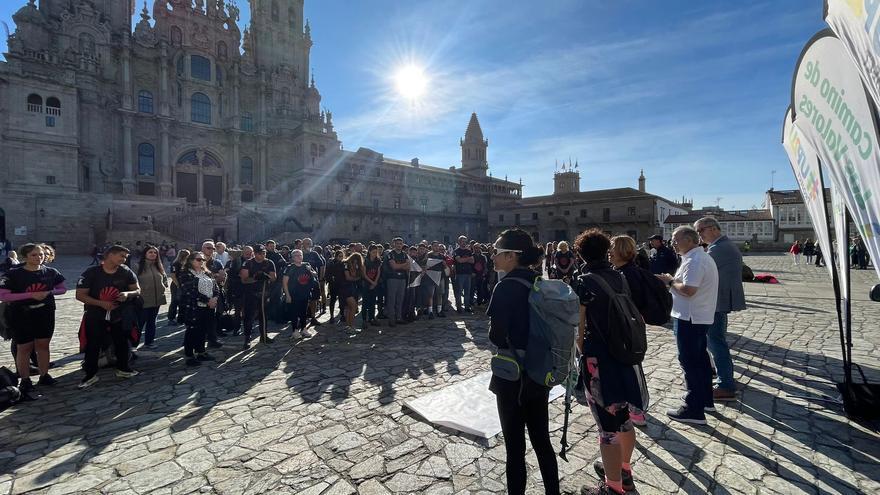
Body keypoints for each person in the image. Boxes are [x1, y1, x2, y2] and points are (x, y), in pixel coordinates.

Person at [576, 230, 648, 495]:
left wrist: (581, 354)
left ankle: (613, 487)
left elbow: (579, 328)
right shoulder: (620, 276)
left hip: (599, 360)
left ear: (580, 254)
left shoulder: (583, 280)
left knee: (607, 427)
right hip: (626, 355)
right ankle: (624, 471)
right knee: (624, 417)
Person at [487, 228, 559, 495]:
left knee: (514, 447)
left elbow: (496, 335)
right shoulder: (539, 281)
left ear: (511, 256)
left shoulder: (505, 286)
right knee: (542, 440)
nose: (493, 257)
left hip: (512, 375)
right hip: (540, 370)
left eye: (497, 252)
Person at [655, 226, 718, 424]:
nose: (672, 243)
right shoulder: (695, 257)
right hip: (695, 316)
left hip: (691, 317)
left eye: (676, 239)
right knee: (699, 360)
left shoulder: (696, 260)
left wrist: (669, 282)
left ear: (690, 240)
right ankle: (704, 398)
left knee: (690, 361)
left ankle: (694, 408)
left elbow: (689, 290)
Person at [0, 244, 66, 397]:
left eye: (41, 254)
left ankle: (44, 375)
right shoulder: (13, 274)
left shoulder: (51, 272)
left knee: (43, 345)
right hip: (21, 314)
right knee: (24, 348)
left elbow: (62, 288)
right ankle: (25, 379)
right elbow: (3, 295)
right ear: (25, 257)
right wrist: (31, 295)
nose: (39, 257)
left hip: (45, 312)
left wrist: (49, 292)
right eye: (34, 255)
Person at [75, 245, 141, 389]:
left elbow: (137, 290)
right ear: (110, 255)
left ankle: (123, 368)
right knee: (94, 344)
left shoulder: (125, 272)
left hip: (119, 313)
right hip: (96, 314)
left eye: (125, 257)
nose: (124, 259)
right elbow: (80, 295)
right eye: (121, 256)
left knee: (122, 342)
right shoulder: (91, 272)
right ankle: (90, 374)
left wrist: (127, 294)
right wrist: (101, 303)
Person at [695, 217, 746, 401]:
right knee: (717, 342)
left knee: (716, 343)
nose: (699, 235)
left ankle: (726, 385)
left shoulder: (719, 248)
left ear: (714, 228)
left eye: (701, 230)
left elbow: (697, 269)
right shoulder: (722, 245)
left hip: (715, 302)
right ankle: (725, 380)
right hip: (717, 300)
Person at [608, 235, 650, 428]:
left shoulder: (626, 274)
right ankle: (634, 405)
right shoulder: (628, 271)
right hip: (631, 325)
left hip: (628, 327)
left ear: (621, 252)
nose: (609, 253)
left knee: (632, 367)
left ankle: (638, 410)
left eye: (612, 249)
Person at [177, 251, 219, 366]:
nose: (201, 262)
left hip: (208, 307)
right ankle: (189, 355)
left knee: (203, 330)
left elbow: (215, 287)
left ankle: (201, 352)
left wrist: (214, 298)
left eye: (203, 260)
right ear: (191, 260)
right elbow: (189, 291)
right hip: (193, 307)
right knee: (192, 331)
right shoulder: (185, 273)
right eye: (198, 259)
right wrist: (207, 300)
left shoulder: (207, 273)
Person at [240, 244, 277, 348]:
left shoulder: (269, 263)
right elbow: (244, 280)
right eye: (260, 253)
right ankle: (247, 338)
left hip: (264, 293)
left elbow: (274, 278)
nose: (263, 255)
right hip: (251, 294)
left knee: (264, 316)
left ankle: (263, 336)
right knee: (249, 317)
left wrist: (266, 277)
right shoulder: (248, 263)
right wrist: (255, 278)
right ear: (255, 254)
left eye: (264, 252)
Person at [136, 245, 168, 349]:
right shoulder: (137, 266)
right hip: (143, 300)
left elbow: (164, 279)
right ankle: (133, 344)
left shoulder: (159, 266)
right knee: (139, 324)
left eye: (155, 252)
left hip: (157, 299)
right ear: (145, 253)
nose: (153, 254)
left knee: (152, 322)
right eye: (150, 252)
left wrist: (163, 286)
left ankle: (149, 342)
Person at [283, 249, 318, 339]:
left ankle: (303, 329)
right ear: (293, 257)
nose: (299, 257)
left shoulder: (306, 265)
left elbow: (314, 274)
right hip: (294, 294)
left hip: (305, 293)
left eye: (300, 255)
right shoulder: (290, 267)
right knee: (294, 313)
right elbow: (284, 282)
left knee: (304, 312)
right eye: (296, 255)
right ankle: (295, 330)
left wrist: (310, 270)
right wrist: (287, 295)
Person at [384, 237, 409, 327]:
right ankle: (392, 319)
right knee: (392, 299)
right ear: (394, 244)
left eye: (400, 243)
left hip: (402, 279)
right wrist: (402, 265)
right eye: (397, 243)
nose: (399, 245)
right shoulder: (390, 254)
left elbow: (408, 266)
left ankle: (399, 317)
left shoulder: (404, 254)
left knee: (400, 299)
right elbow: (394, 266)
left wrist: (399, 265)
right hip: (392, 278)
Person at [301, 238, 325, 327]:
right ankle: (302, 318)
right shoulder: (299, 254)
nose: (308, 245)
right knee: (304, 300)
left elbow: (321, 265)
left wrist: (321, 278)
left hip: (313, 280)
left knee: (314, 299)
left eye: (309, 244)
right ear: (303, 244)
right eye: (306, 243)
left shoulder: (314, 254)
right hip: (301, 281)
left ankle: (313, 317)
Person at [340, 252, 364, 333]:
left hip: (350, 288)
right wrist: (357, 278)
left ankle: (348, 326)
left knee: (349, 308)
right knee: (353, 306)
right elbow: (348, 277)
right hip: (346, 288)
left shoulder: (348, 264)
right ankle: (351, 326)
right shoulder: (346, 264)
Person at [167, 249, 190, 326]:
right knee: (175, 301)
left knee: (183, 301)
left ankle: (181, 318)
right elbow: (173, 276)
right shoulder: (176, 264)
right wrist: (178, 285)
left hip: (184, 285)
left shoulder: (186, 264)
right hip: (176, 285)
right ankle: (171, 318)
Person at [452, 236, 475, 313]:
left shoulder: (469, 251)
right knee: (459, 291)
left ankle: (467, 307)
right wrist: (468, 259)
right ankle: (459, 307)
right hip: (459, 274)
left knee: (467, 291)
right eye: (462, 241)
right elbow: (459, 260)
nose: (464, 243)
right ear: (459, 242)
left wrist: (464, 259)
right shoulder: (456, 251)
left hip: (468, 273)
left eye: (465, 241)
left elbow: (473, 261)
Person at [362, 244, 383, 326]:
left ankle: (372, 317)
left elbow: (378, 272)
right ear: (369, 252)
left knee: (373, 301)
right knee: (365, 302)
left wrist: (375, 282)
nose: (375, 254)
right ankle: (364, 319)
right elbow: (364, 274)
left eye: (376, 252)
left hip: (374, 283)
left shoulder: (378, 261)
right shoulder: (365, 261)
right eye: (373, 252)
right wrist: (371, 282)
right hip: (366, 283)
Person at [326, 250, 346, 324]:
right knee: (333, 300)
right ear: (336, 256)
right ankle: (331, 316)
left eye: (342, 256)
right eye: (339, 256)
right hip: (333, 284)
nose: (341, 258)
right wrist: (330, 280)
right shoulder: (331, 263)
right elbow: (327, 273)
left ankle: (342, 314)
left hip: (341, 284)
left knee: (342, 300)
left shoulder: (344, 263)